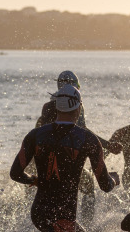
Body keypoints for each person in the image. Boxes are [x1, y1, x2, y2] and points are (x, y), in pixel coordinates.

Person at [11, 84, 120, 232]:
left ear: (56, 107)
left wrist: (35, 180)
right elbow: (105, 185)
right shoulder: (87, 139)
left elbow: (15, 173)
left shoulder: (35, 135)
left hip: (40, 212)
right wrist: (115, 179)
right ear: (79, 109)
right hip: (62, 217)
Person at [35, 71, 122, 221]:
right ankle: (88, 224)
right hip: (66, 163)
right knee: (88, 187)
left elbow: (41, 135)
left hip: (45, 164)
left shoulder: (46, 109)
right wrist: (108, 146)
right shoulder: (75, 105)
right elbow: (82, 132)